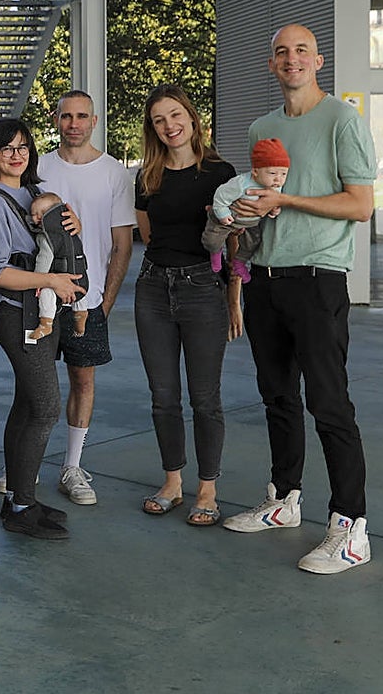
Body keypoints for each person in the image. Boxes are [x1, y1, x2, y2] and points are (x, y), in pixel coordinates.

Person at [221, 24, 376, 575]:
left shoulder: (341, 119)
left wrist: (288, 197)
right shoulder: (263, 127)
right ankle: (284, 500)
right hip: (266, 277)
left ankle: (350, 527)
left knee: (329, 404)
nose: (292, 59)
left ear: (319, 61)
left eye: (301, 51)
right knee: (277, 397)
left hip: (317, 280)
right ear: (271, 65)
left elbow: (360, 204)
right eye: (282, 52)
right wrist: (242, 218)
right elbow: (260, 208)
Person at [0, 90, 134, 507]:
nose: (73, 123)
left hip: (85, 298)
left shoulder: (114, 172)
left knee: (82, 380)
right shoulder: (38, 170)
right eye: (66, 116)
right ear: (56, 120)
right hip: (39, 296)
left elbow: (122, 244)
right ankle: (23, 467)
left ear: (94, 121)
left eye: (82, 116)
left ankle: (72, 467)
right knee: (33, 387)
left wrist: (104, 302)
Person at [0, 119, 83, 540]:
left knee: (26, 405)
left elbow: (59, 247)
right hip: (16, 313)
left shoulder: (37, 194)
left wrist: (74, 228)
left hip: (40, 310)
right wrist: (51, 281)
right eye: (7, 149)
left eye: (23, 148)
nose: (17, 155)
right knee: (46, 407)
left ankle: (19, 498)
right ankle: (21, 505)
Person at [134, 85, 241, 527]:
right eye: (159, 120)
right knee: (163, 397)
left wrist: (234, 296)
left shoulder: (221, 172)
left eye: (176, 115)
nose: (169, 126)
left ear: (192, 118)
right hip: (153, 288)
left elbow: (236, 241)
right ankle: (173, 482)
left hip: (202, 289)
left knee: (206, 398)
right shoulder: (146, 176)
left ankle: (208, 489)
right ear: (152, 129)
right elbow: (147, 235)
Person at [200, 138, 290, 283]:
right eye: (273, 173)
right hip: (228, 217)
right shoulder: (241, 183)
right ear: (255, 172)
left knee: (253, 242)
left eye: (283, 174)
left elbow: (274, 201)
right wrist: (223, 213)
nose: (278, 179)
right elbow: (221, 195)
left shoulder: (276, 186)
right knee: (212, 239)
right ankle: (215, 252)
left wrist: (274, 210)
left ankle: (239, 262)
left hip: (250, 222)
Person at [29, 192, 89, 340]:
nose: (36, 218)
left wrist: (38, 279)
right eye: (33, 214)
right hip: (81, 278)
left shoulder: (47, 237)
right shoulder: (70, 230)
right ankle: (81, 317)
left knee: (45, 292)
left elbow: (44, 257)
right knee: (79, 291)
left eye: (42, 214)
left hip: (59, 281)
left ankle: (46, 323)